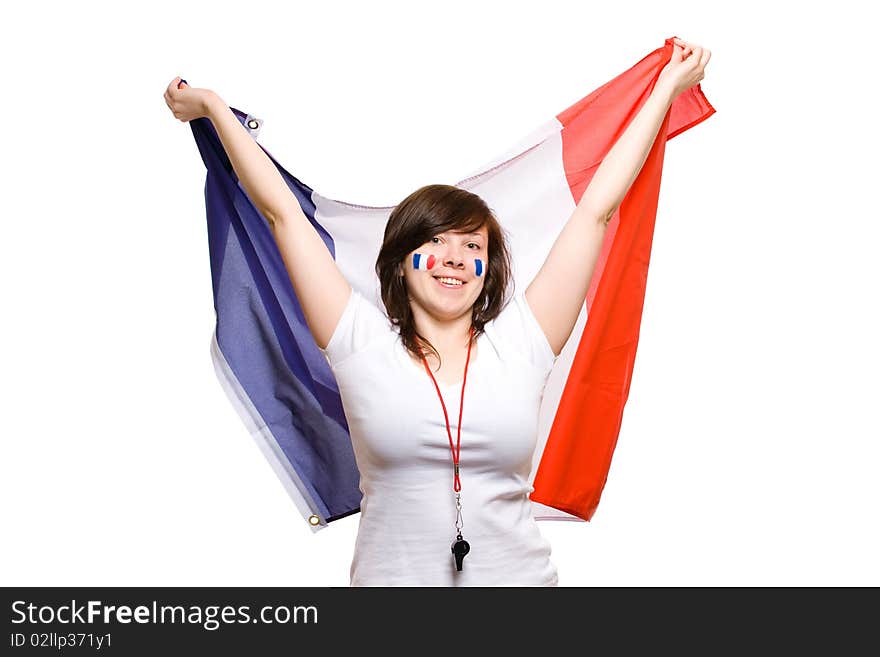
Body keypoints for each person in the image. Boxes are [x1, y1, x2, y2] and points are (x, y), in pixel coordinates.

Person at [163, 37, 710, 586]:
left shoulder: (523, 340)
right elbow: (281, 213)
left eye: (473, 247)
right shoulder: (358, 340)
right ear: (402, 262)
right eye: (438, 242)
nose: (454, 259)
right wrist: (212, 107)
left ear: (488, 269)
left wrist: (665, 90)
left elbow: (596, 210)